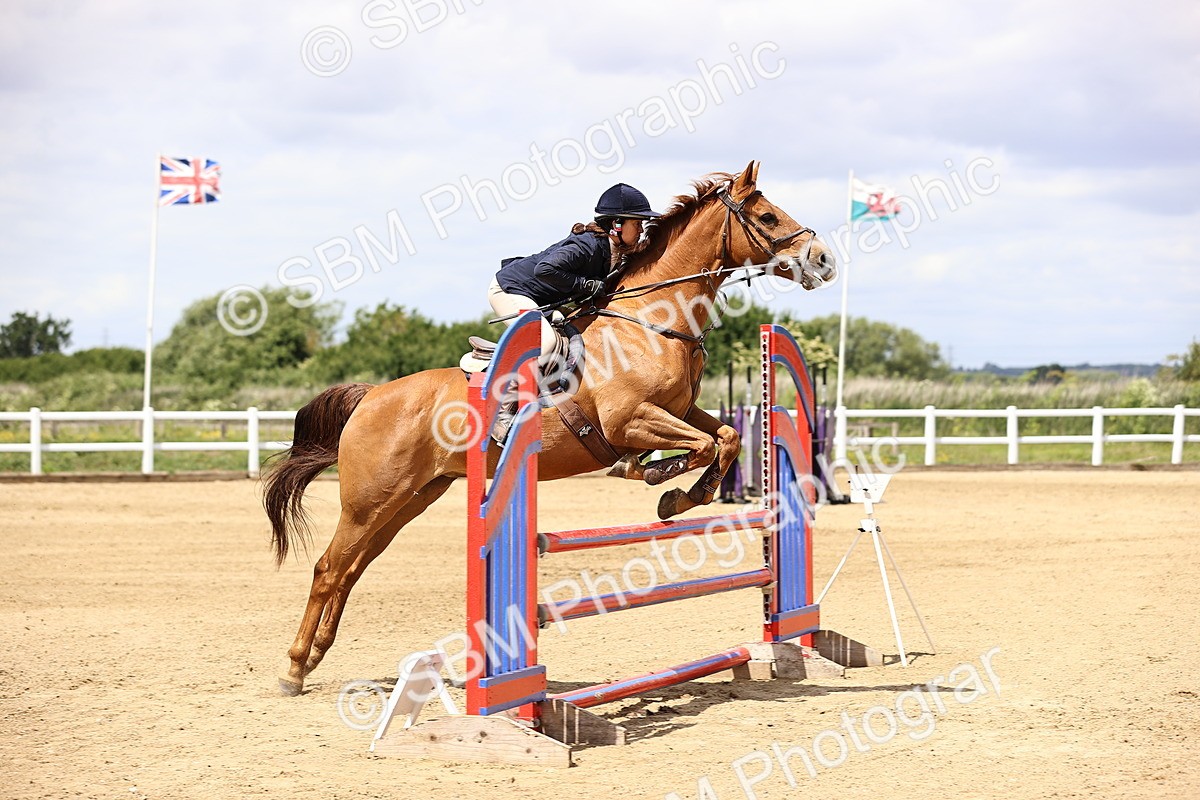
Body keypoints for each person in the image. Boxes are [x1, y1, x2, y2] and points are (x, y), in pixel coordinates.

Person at [488, 182, 662, 361]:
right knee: (546, 343)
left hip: (541, 298)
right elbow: (544, 269)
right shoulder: (586, 246)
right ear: (616, 224)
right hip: (510, 290)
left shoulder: (615, 251)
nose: (641, 229)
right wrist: (585, 284)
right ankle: (510, 387)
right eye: (637, 223)